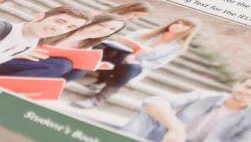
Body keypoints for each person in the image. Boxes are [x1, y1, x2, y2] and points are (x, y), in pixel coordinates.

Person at [73, 17, 201, 108]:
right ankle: (99, 80)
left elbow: (158, 64)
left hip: (135, 66)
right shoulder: (146, 32)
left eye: (185, 25)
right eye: (177, 22)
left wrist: (138, 60)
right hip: (118, 57)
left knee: (130, 67)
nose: (178, 26)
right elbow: (120, 42)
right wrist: (127, 49)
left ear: (189, 30)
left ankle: (97, 99)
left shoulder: (177, 47)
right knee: (107, 50)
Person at [120, 76, 251, 142]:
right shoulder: (205, 96)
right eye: (248, 86)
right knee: (150, 113)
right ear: (237, 85)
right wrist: (176, 128)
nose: (250, 92)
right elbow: (154, 101)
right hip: (168, 138)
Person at [0, 13, 127, 79]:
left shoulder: (87, 47)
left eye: (111, 30)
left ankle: (15, 85)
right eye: (103, 25)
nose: (104, 30)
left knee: (76, 70)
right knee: (63, 65)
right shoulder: (60, 28)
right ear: (91, 22)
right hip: (7, 58)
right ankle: (8, 86)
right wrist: (19, 52)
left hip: (29, 68)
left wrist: (94, 66)